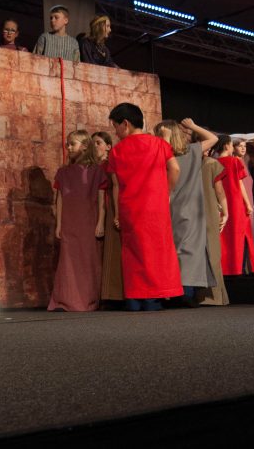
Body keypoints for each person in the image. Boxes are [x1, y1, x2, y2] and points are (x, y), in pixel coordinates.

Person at [105, 103, 182, 310]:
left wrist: (117, 212)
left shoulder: (116, 151)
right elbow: (175, 169)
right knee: (157, 251)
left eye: (115, 126)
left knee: (133, 253)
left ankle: (134, 300)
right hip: (156, 207)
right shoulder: (159, 144)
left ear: (125, 124)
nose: (115, 132)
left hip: (130, 208)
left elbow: (115, 185)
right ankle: (152, 300)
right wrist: (166, 192)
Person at [154, 118, 218, 303]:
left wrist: (164, 141)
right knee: (188, 251)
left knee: (174, 251)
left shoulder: (165, 154)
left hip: (169, 207)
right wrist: (192, 126)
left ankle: (177, 293)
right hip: (188, 208)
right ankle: (185, 294)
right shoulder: (191, 151)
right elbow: (213, 139)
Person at [48, 131, 107, 312]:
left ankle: (87, 299)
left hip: (88, 220)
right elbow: (60, 199)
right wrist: (59, 224)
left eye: (72, 143)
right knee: (68, 260)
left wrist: (100, 222)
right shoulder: (63, 172)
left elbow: (101, 198)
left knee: (87, 259)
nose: (68, 147)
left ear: (85, 146)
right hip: (70, 221)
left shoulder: (96, 171)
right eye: (67, 144)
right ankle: (65, 299)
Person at [212, 135, 254, 275]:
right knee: (239, 236)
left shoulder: (212, 162)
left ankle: (224, 270)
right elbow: (240, 183)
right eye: (232, 145)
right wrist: (248, 204)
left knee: (224, 238)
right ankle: (238, 270)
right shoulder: (234, 161)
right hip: (236, 203)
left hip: (220, 204)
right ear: (227, 146)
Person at [92, 131, 123, 304]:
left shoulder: (108, 165)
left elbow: (108, 190)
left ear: (108, 146)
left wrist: (113, 214)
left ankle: (112, 295)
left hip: (108, 208)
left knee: (112, 250)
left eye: (98, 143)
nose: (95, 146)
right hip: (94, 210)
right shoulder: (91, 167)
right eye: (93, 143)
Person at [196, 145, 230, 305]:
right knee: (212, 251)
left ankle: (198, 296)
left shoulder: (187, 163)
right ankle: (214, 296)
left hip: (189, 211)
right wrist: (226, 212)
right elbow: (219, 190)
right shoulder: (211, 163)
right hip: (208, 210)